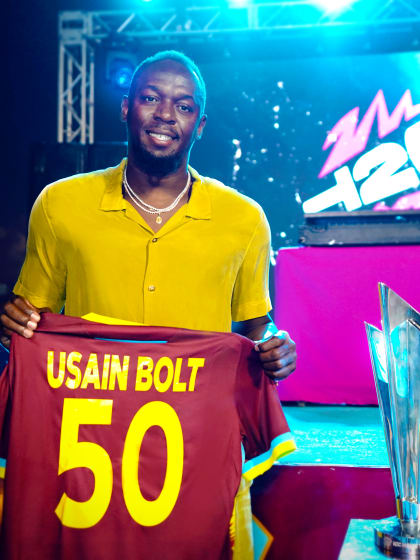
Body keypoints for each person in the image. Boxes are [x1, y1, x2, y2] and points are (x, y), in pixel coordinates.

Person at [0, 50, 296, 556]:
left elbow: (253, 332)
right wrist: (14, 327)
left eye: (183, 106)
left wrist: (274, 348)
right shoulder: (59, 205)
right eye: (151, 98)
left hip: (193, 454)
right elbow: (31, 327)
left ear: (200, 124)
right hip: (82, 456)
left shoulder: (243, 220)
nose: (165, 115)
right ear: (126, 107)